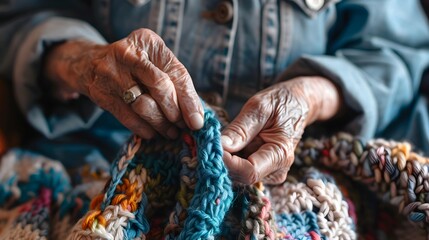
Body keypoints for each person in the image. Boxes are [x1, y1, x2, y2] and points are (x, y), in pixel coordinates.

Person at [0, 0, 429, 186]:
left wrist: (311, 96)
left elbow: (394, 50)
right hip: (93, 164)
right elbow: (23, 14)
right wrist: (79, 60)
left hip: (301, 172)